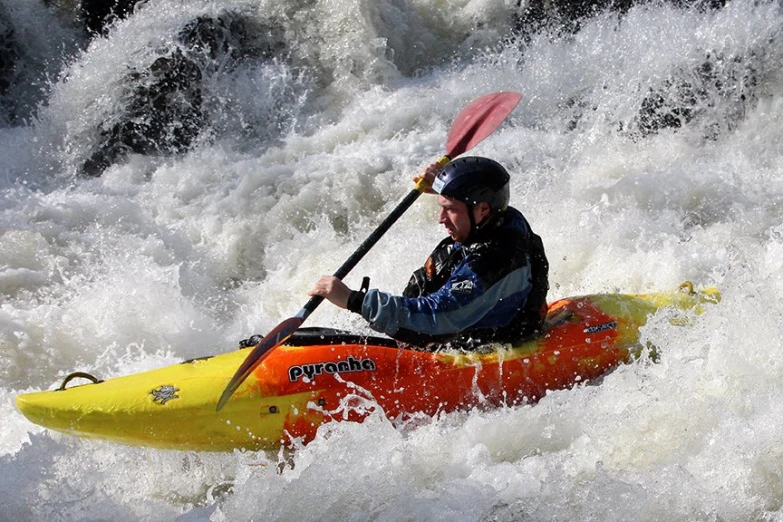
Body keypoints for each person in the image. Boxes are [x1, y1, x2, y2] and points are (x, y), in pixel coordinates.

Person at [308, 156, 549, 350]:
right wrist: (445, 185)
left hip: (483, 340)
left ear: (483, 209)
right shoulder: (497, 218)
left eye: (450, 209)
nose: (440, 219)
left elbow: (440, 318)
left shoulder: (495, 260)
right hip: (461, 326)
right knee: (442, 259)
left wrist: (355, 301)